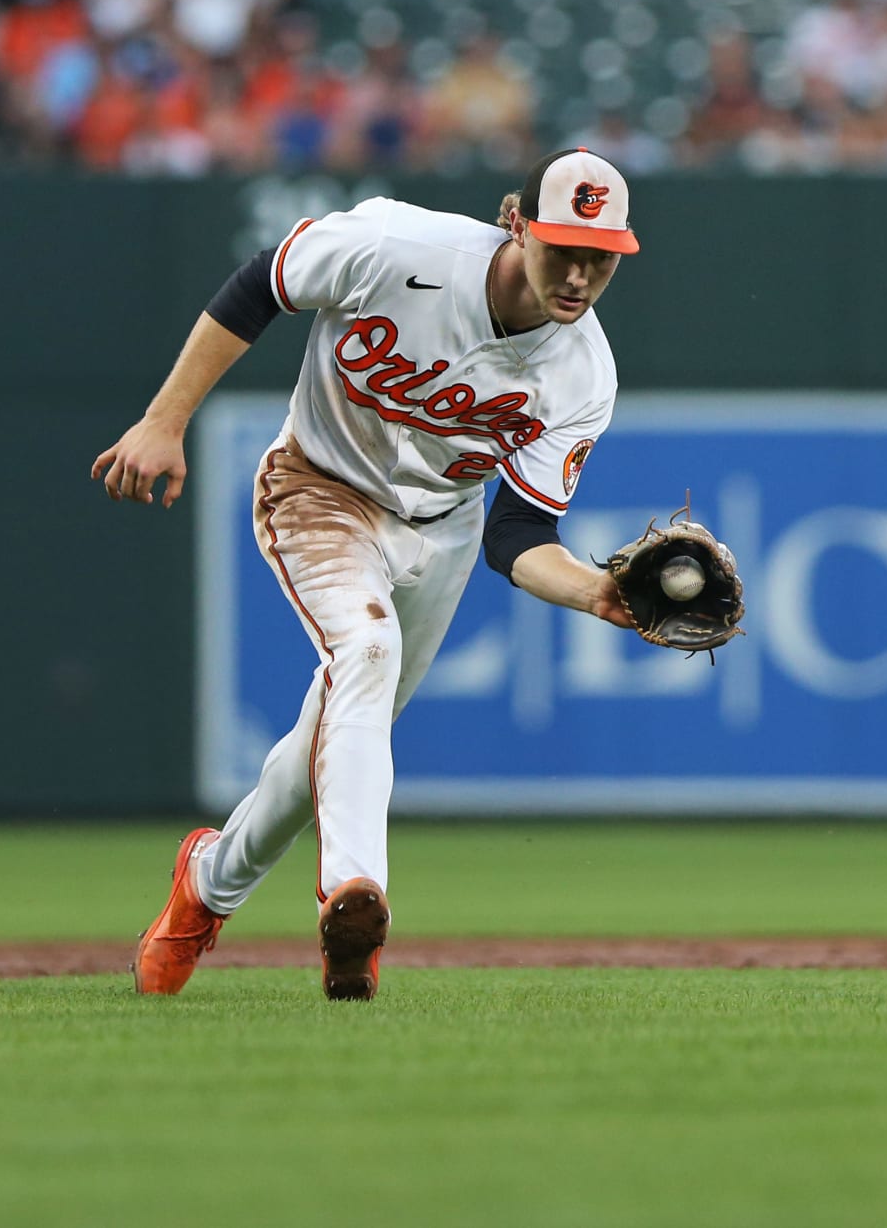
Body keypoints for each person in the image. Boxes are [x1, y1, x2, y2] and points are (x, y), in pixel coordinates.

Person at [91, 148, 641, 1000]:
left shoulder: (584, 373)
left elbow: (519, 534)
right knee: (367, 651)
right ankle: (355, 898)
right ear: (515, 221)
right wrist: (166, 420)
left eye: (599, 255)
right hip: (318, 487)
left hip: (447, 532)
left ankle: (205, 886)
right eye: (561, 245)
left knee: (328, 738)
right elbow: (260, 285)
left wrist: (597, 591)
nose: (577, 273)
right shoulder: (396, 246)